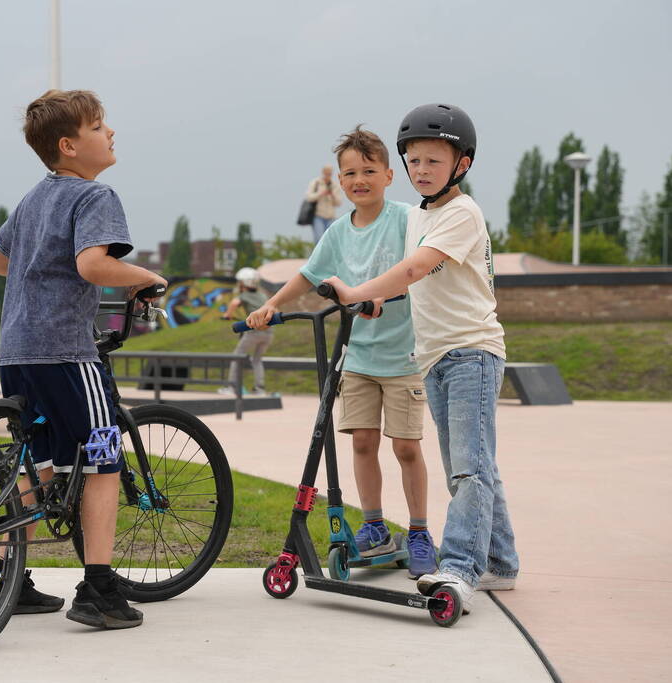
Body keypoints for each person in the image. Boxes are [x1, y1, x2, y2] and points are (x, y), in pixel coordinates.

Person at [322, 104, 519, 616]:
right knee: (472, 466)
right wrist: (376, 300)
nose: (421, 169)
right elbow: (418, 283)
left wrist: (357, 291)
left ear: (462, 165)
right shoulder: (422, 217)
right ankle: (501, 563)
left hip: (470, 352)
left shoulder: (461, 213)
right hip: (433, 356)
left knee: (468, 470)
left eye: (434, 160)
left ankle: (459, 568)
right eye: (413, 160)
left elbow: (415, 268)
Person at [0, 89, 166, 629]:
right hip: (66, 352)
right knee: (103, 464)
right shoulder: (95, 195)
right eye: (99, 126)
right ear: (69, 145)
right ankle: (98, 591)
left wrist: (40, 274)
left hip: (17, 353)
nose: (111, 133)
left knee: (34, 468)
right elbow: (92, 265)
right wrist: (147, 277)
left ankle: (3, 585)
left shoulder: (33, 199)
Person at [248, 126, 437, 578]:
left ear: (389, 175)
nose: (359, 180)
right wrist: (272, 304)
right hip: (357, 356)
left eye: (369, 171)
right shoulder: (337, 232)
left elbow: (421, 269)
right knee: (363, 442)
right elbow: (309, 274)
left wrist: (381, 296)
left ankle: (418, 532)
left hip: (404, 356)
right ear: (339, 182)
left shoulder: (407, 219)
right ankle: (374, 525)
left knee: (406, 446)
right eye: (350, 173)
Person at [219, 267, 273, 397]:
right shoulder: (262, 295)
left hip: (254, 332)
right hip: (269, 333)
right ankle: (259, 389)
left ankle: (231, 387)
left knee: (237, 356)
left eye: (240, 282)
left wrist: (227, 315)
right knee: (257, 360)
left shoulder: (244, 295)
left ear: (244, 283)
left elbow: (234, 303)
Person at [305, 164, 344, 244]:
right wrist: (320, 194)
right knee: (319, 240)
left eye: (329, 173)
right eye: (326, 173)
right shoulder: (316, 183)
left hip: (331, 217)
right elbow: (309, 197)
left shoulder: (335, 185)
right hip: (318, 216)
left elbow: (339, 203)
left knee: (331, 240)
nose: (328, 175)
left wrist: (332, 195)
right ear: (323, 172)